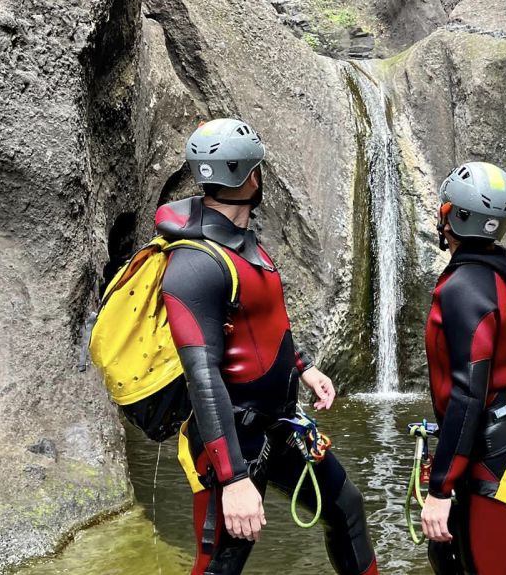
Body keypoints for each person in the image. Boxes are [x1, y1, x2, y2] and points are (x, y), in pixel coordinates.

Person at [159, 118, 379, 575]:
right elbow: (203, 378)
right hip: (231, 442)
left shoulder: (244, 245)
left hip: (279, 426)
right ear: (250, 177)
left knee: (346, 508)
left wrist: (304, 368)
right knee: (219, 563)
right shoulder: (194, 264)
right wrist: (235, 479)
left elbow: (266, 325)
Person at [421, 162, 506, 574]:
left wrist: (439, 488)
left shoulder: (463, 290)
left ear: (451, 217)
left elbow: (468, 394)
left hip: (486, 450)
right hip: (501, 436)